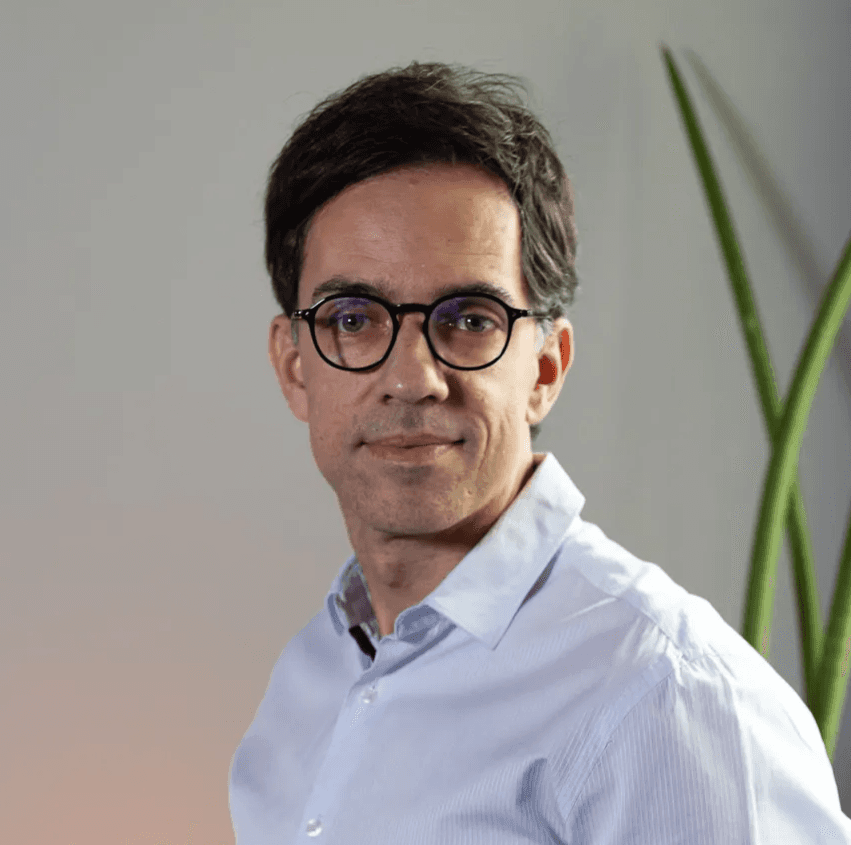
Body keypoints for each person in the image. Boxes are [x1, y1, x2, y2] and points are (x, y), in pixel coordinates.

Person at [229, 61, 851, 844]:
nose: (412, 378)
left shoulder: (665, 696)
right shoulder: (310, 675)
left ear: (546, 369)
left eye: (469, 318)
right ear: (294, 366)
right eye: (353, 319)